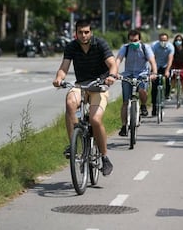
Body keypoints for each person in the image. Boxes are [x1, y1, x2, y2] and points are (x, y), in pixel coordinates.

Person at [52, 19, 118, 176]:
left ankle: (104, 157)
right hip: (81, 85)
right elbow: (64, 67)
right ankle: (75, 143)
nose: (83, 35)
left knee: (95, 120)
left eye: (86, 32)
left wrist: (112, 76)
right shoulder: (71, 47)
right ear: (76, 33)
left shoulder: (100, 44)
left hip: (99, 86)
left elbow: (112, 64)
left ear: (91, 32)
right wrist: (59, 78)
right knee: (70, 103)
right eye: (80, 32)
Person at [116, 29, 157, 136]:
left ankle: (143, 105)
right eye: (131, 40)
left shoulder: (145, 47)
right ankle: (124, 126)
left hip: (142, 74)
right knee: (125, 102)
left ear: (139, 39)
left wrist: (154, 73)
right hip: (128, 75)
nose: (133, 42)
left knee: (142, 90)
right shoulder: (125, 48)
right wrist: (114, 72)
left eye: (135, 40)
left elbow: (152, 61)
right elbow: (118, 60)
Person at [151, 32, 175, 116]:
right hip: (156, 65)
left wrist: (167, 71)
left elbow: (170, 60)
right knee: (154, 87)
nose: (163, 41)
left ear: (167, 40)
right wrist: (154, 71)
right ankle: (154, 107)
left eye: (165, 40)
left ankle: (166, 95)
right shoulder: (154, 46)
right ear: (158, 40)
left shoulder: (170, 47)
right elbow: (152, 58)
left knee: (168, 80)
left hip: (165, 65)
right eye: (161, 40)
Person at [171, 34, 183, 104]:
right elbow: (171, 58)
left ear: (182, 41)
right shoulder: (172, 48)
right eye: (176, 40)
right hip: (175, 65)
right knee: (173, 76)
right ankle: (173, 88)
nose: (178, 41)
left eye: (179, 40)